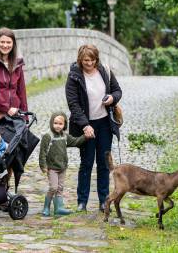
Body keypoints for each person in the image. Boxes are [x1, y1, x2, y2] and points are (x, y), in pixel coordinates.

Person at [65, 44, 122, 213]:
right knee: (87, 163)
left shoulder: (105, 70)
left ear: (96, 59)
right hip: (86, 125)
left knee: (104, 163)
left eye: (91, 60)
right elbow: (73, 104)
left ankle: (104, 201)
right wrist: (85, 125)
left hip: (104, 123)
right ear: (80, 60)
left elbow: (118, 91)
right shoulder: (74, 76)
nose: (88, 64)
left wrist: (112, 98)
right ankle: (82, 201)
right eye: (85, 61)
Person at [39, 111, 87, 216]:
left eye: (60, 124)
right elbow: (42, 152)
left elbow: (75, 141)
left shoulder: (65, 136)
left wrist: (85, 136)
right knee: (53, 187)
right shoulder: (48, 136)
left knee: (60, 188)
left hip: (62, 167)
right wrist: (43, 166)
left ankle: (59, 208)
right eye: (55, 123)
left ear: (64, 124)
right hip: (52, 167)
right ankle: (46, 207)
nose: (57, 126)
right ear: (52, 123)